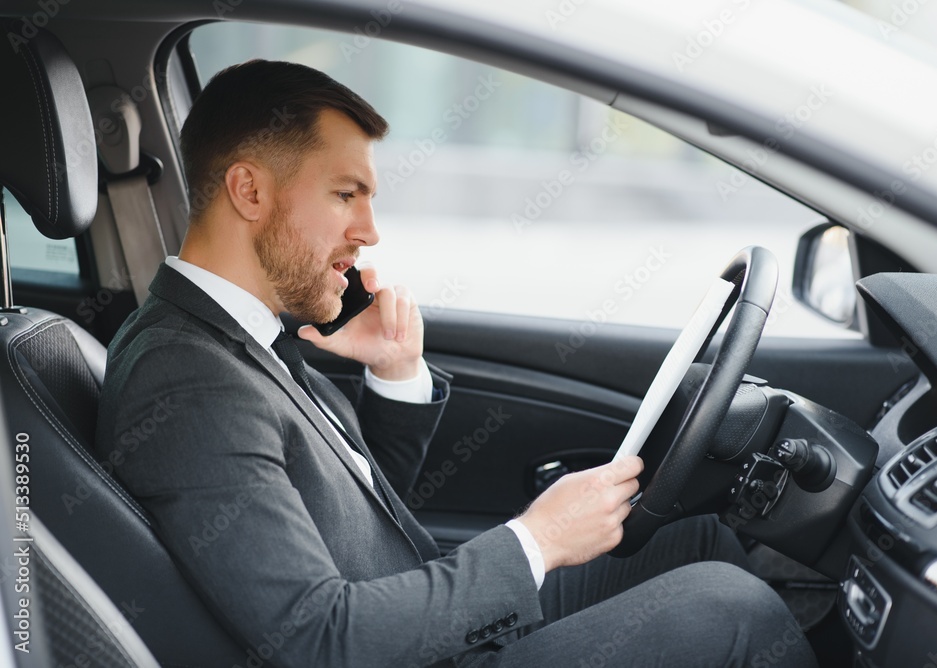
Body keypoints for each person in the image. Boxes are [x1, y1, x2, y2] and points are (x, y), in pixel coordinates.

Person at [96, 59, 817, 668]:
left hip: (415, 619)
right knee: (732, 609)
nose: (369, 232)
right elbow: (314, 636)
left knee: (693, 536)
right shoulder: (187, 378)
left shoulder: (237, 335)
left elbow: (350, 519)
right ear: (250, 191)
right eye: (345, 195)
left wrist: (394, 371)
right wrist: (537, 540)